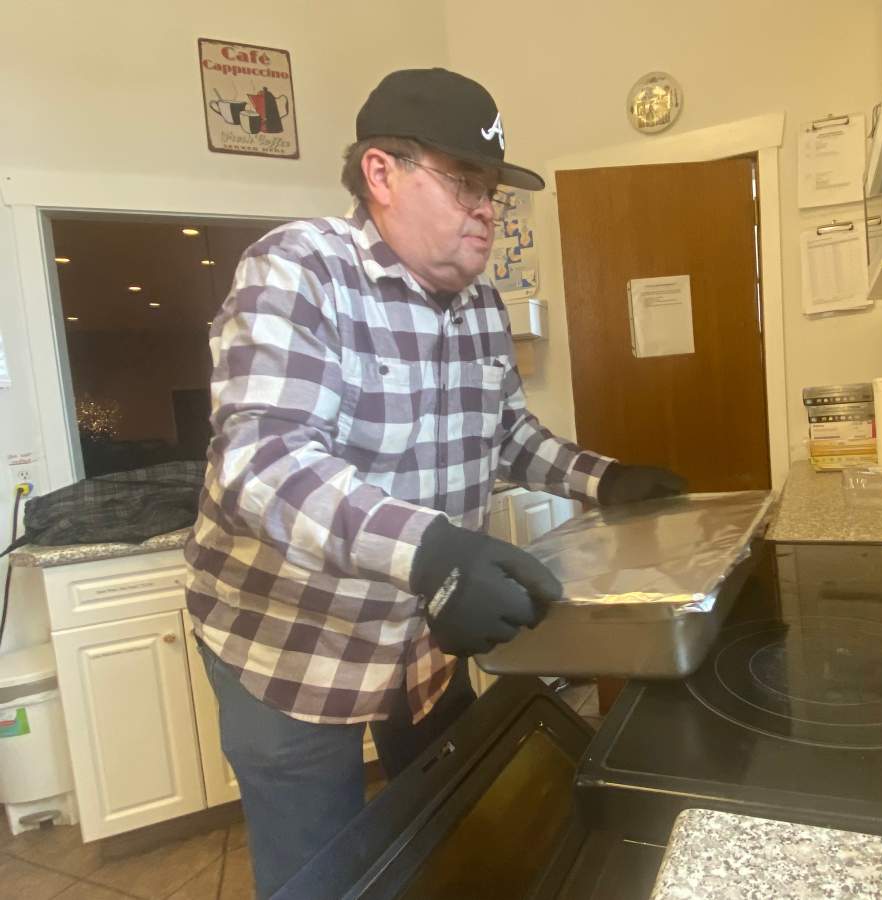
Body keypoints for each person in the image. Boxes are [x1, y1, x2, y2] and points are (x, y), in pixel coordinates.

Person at [183, 67, 684, 898]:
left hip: (419, 640)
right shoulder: (299, 268)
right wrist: (434, 551)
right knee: (319, 876)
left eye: (493, 190)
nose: (488, 208)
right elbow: (261, 461)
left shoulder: (481, 305)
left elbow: (506, 433)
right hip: (289, 647)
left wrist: (605, 480)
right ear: (381, 173)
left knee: (449, 831)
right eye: (465, 182)